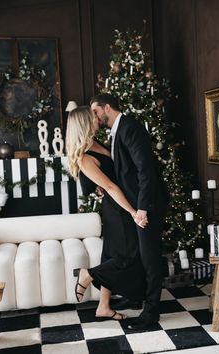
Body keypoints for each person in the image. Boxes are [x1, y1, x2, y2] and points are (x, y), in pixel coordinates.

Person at [90, 93, 169, 330]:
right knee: (136, 254)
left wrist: (143, 209)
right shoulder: (116, 131)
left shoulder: (130, 128)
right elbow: (126, 173)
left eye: (95, 111)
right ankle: (135, 298)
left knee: (150, 258)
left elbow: (145, 172)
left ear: (106, 107)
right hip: (134, 208)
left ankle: (151, 311)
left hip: (147, 207)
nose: (94, 117)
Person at [65, 106, 147, 321]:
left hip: (119, 204)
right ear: (84, 122)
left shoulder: (96, 143)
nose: (97, 117)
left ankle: (103, 306)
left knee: (111, 254)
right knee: (127, 256)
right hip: (118, 209)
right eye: (92, 116)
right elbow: (110, 187)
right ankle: (88, 274)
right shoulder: (84, 158)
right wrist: (133, 211)